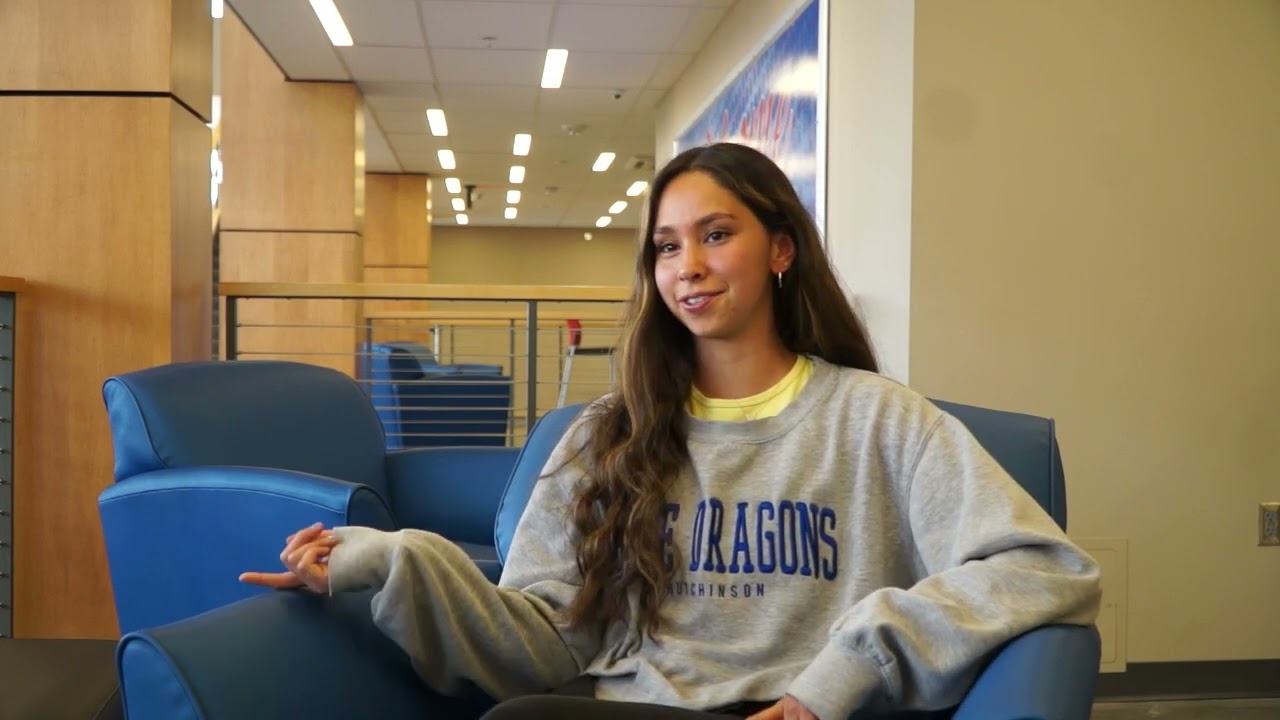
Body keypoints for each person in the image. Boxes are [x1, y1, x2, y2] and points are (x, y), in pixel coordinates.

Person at [241, 142, 1102, 720]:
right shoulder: (605, 437)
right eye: (664, 247)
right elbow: (546, 635)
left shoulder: (877, 418)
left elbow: (1043, 568)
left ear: (779, 249)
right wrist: (391, 559)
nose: (686, 267)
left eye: (716, 236)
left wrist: (838, 679)